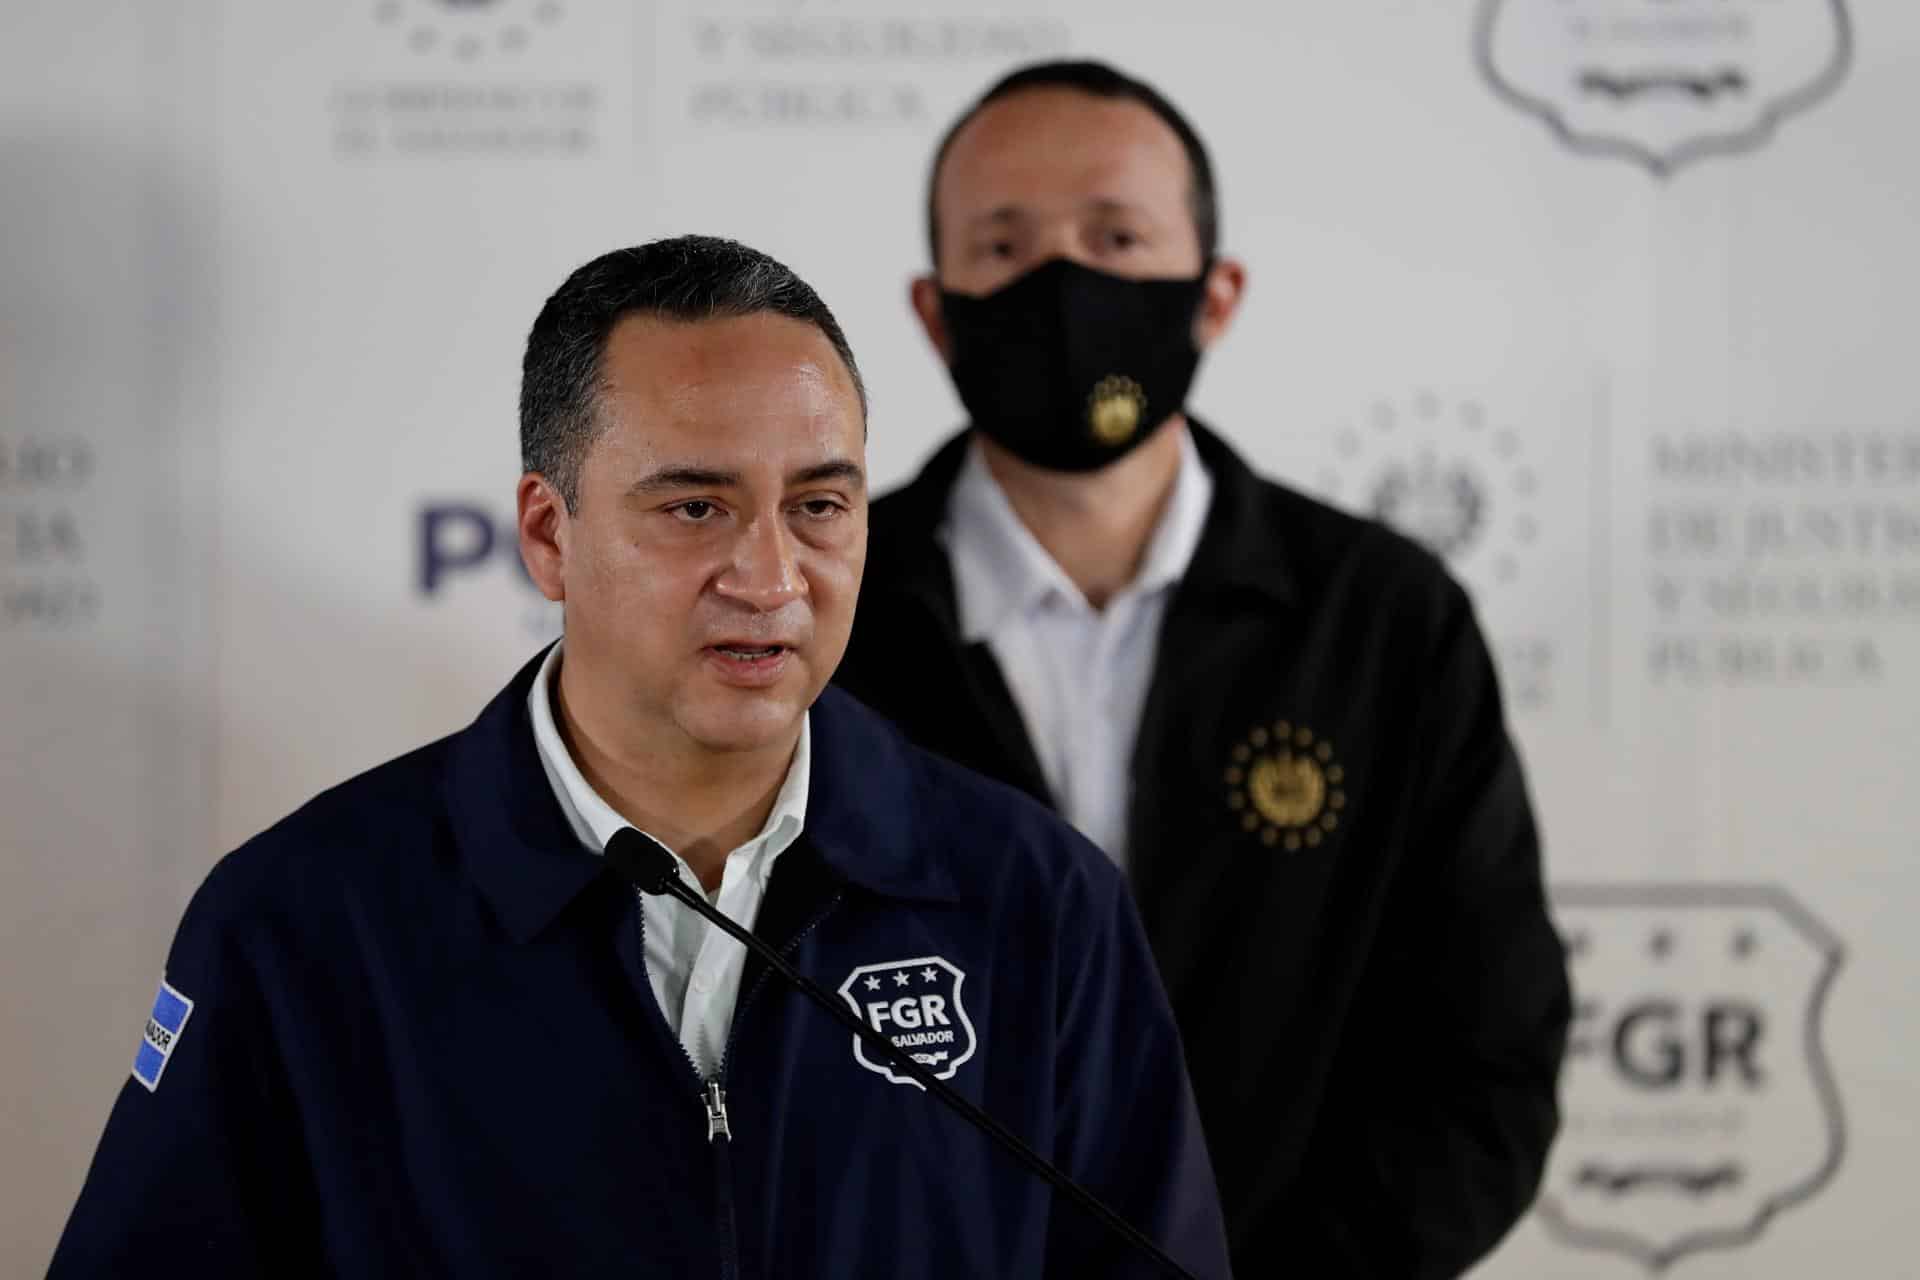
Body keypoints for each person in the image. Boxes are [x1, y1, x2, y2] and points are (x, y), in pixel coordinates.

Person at [49, 236, 1230, 1279]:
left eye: (819, 505)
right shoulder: (300, 924)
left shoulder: (1039, 901)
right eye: (696, 508)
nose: (770, 578)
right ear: (548, 533)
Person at [834, 61, 1572, 1277]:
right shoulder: (823, 619)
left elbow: (1484, 1056)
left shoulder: (1382, 619)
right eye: (1004, 245)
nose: (1063, 282)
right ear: (934, 309)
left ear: (1215, 292)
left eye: (1117, 236)